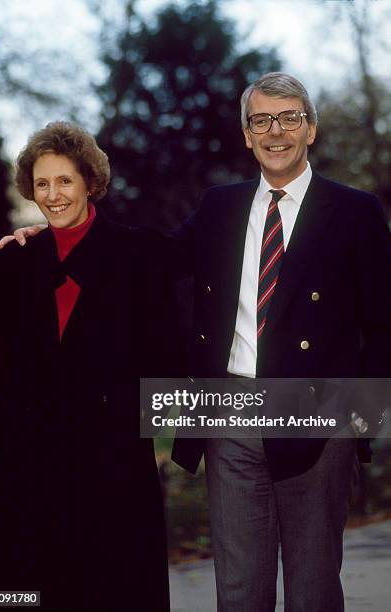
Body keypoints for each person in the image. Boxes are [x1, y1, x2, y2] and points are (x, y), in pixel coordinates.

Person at [171, 73, 391, 611]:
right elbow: (151, 261)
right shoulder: (220, 206)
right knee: (240, 591)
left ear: (310, 129)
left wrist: (359, 422)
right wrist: (65, 229)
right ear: (246, 134)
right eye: (261, 119)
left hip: (318, 416)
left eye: (290, 117)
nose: (276, 131)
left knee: (313, 590)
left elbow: (385, 324)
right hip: (230, 411)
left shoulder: (355, 212)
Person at [0, 121, 177, 610]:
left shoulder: (139, 254)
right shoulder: (11, 262)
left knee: (112, 592)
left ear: (90, 180)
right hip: (24, 474)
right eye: (41, 184)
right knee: (16, 597)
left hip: (111, 471)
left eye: (64, 180)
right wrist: (0, 441)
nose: (53, 194)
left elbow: (164, 354)